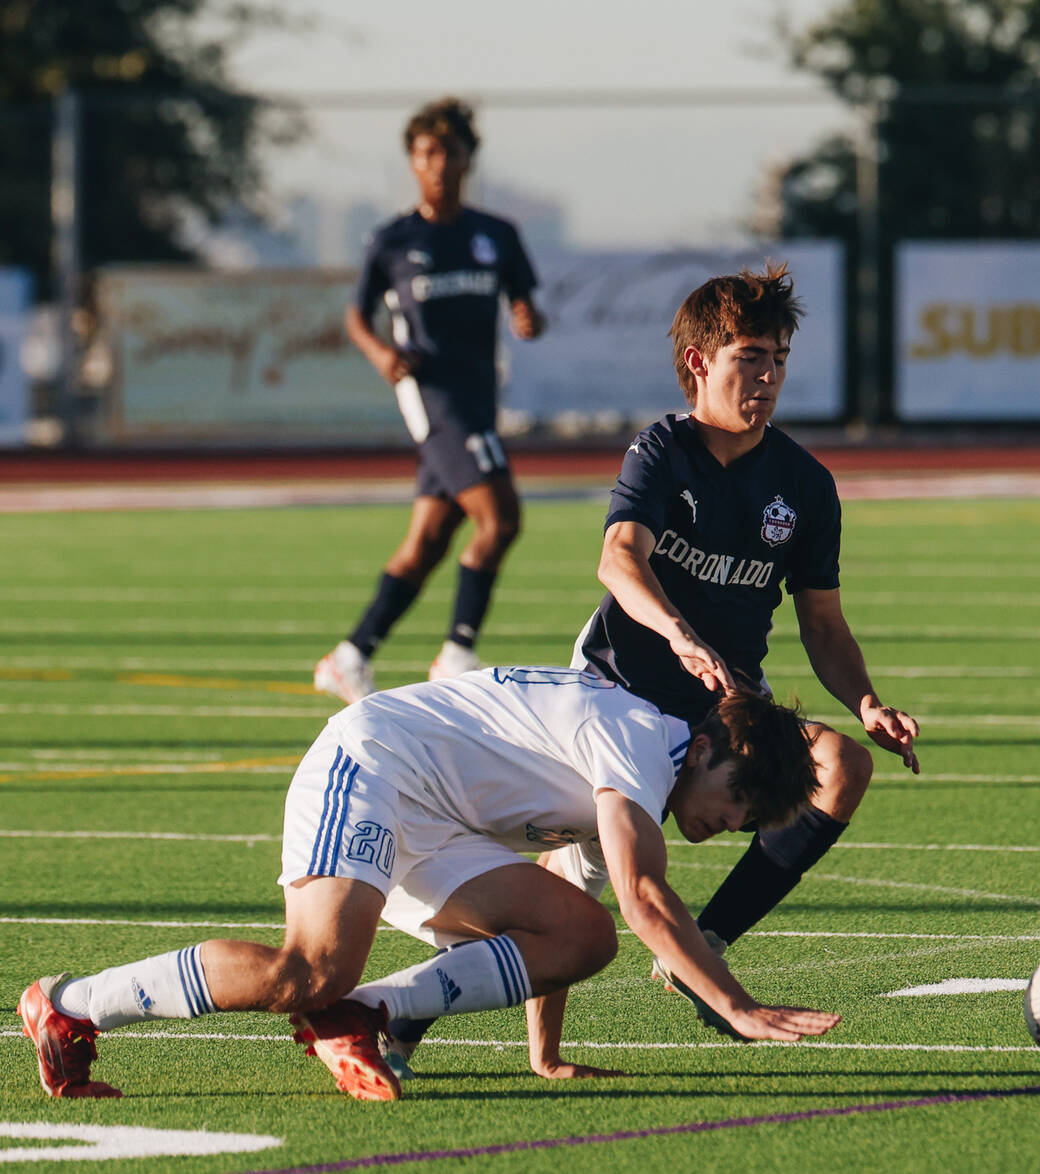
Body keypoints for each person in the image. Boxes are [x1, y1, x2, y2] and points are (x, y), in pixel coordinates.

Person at [19, 667, 840, 1102]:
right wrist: (734, 1004)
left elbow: (581, 905)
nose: (725, 824)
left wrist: (544, 1057)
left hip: (435, 822)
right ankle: (70, 1002)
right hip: (372, 767)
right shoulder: (634, 740)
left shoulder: (642, 778)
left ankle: (366, 1017)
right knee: (306, 971)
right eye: (735, 799)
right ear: (704, 749)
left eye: (743, 822)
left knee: (582, 938)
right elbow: (645, 893)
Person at [572, 264, 921, 997]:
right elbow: (617, 559)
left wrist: (867, 703)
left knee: (841, 767)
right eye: (749, 358)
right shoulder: (661, 451)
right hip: (620, 692)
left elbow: (822, 624)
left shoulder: (804, 485)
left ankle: (704, 943)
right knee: (578, 900)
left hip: (724, 703)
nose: (768, 377)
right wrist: (679, 632)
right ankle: (439, 1021)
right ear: (700, 364)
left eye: (779, 360)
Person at [315, 96, 546, 703]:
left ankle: (349, 656)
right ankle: (456, 653)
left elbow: (526, 306)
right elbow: (355, 315)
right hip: (436, 400)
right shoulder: (393, 240)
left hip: (477, 399)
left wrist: (526, 316)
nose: (438, 163)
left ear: (469, 158)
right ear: (413, 162)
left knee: (428, 543)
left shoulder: (496, 235)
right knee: (501, 519)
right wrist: (380, 354)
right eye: (426, 153)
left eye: (450, 151)